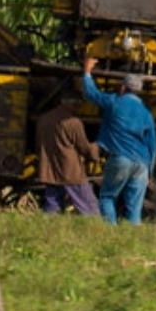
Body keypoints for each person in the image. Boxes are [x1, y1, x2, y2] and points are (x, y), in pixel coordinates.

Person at [81, 57, 156, 225]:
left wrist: (87, 71)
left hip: (121, 159)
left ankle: (111, 233)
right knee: (134, 208)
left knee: (107, 196)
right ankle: (132, 241)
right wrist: (149, 172)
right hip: (142, 165)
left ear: (123, 87)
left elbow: (91, 94)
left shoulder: (114, 102)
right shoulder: (146, 113)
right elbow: (152, 145)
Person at [34, 85, 101, 217]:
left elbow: (38, 144)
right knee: (88, 206)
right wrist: (95, 150)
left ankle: (48, 228)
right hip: (70, 170)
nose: (79, 108)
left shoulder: (43, 119)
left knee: (52, 205)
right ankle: (95, 229)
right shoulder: (73, 122)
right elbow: (83, 147)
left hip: (49, 169)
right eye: (78, 104)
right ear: (74, 104)